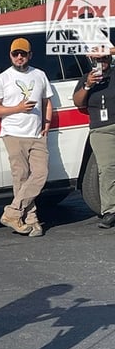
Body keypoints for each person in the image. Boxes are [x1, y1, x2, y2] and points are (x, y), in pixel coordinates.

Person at [0, 37, 53, 237]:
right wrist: (18, 108)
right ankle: (32, 222)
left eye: (23, 53)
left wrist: (47, 123)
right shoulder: (3, 79)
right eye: (16, 54)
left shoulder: (39, 75)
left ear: (30, 55)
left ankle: (13, 212)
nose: (19, 57)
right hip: (13, 134)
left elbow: (47, 102)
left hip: (37, 134)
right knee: (21, 178)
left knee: (41, 174)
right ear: (11, 55)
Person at [73, 54, 115, 228]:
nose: (101, 62)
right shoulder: (86, 77)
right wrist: (88, 85)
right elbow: (78, 101)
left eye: (104, 58)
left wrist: (109, 48)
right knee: (106, 169)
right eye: (97, 59)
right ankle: (110, 210)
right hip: (101, 129)